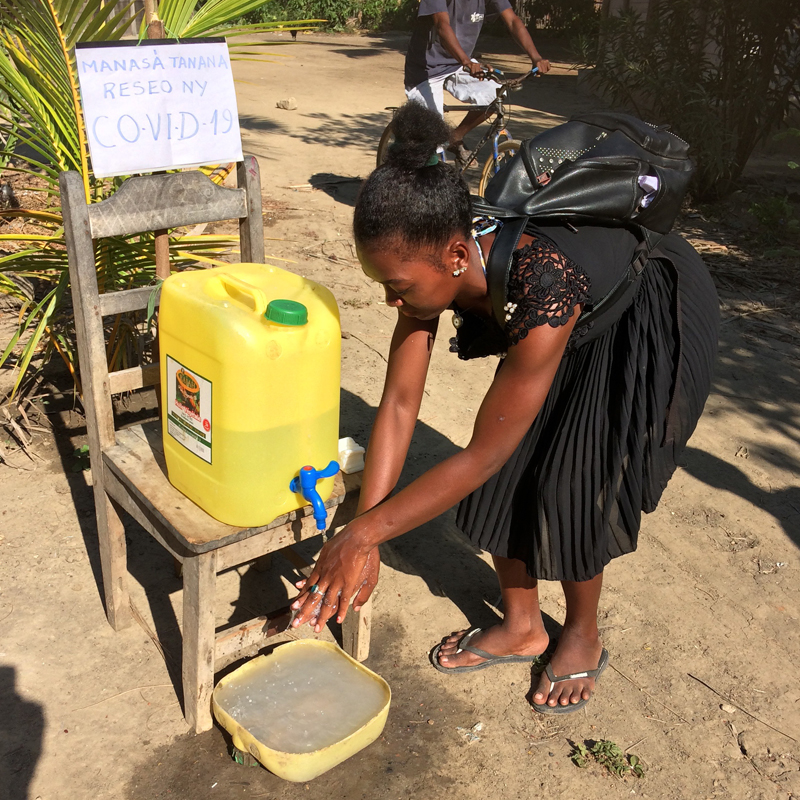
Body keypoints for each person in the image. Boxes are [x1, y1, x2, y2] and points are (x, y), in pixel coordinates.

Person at [291, 103, 719, 713]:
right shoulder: (432, 259)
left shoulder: (541, 283)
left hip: (643, 314)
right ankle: (523, 626)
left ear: (457, 256)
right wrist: (368, 532)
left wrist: (363, 534)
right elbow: (399, 402)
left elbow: (482, 456)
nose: (390, 300)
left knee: (574, 480)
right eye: (379, 283)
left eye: (400, 286)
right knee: (508, 481)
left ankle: (581, 635)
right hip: (564, 314)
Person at [404, 0, 550, 161]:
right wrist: (467, 62)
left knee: (495, 94)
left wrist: (536, 57)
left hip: (459, 64)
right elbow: (442, 26)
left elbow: (512, 20)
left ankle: (454, 137)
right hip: (426, 70)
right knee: (432, 141)